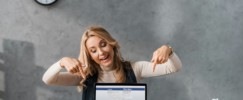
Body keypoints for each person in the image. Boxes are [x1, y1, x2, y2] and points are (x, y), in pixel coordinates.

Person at [42, 26, 182, 100]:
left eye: (103, 44)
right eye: (93, 50)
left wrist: (168, 49)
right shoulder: (84, 75)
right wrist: (61, 62)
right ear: (90, 56)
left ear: (112, 45)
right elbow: (48, 79)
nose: (101, 52)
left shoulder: (135, 68)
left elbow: (173, 67)